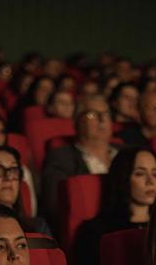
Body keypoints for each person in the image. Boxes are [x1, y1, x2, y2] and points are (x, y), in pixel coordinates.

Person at [73, 147, 156, 265]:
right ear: (123, 178)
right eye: (140, 174)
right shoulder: (96, 231)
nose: (151, 181)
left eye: (155, 174)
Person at [42, 94, 119, 223]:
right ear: (75, 121)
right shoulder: (60, 158)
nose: (102, 119)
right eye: (92, 114)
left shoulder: (128, 152)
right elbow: (55, 206)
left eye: (106, 114)